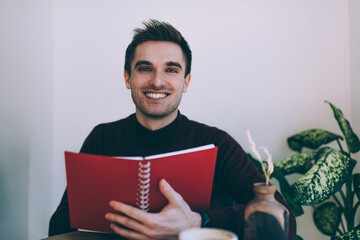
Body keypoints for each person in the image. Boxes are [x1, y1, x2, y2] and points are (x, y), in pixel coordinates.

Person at [49, 19, 296, 239]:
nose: (157, 81)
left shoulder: (215, 143)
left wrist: (197, 221)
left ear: (185, 82)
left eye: (171, 69)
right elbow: (59, 226)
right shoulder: (102, 138)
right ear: (127, 78)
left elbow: (284, 219)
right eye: (145, 68)